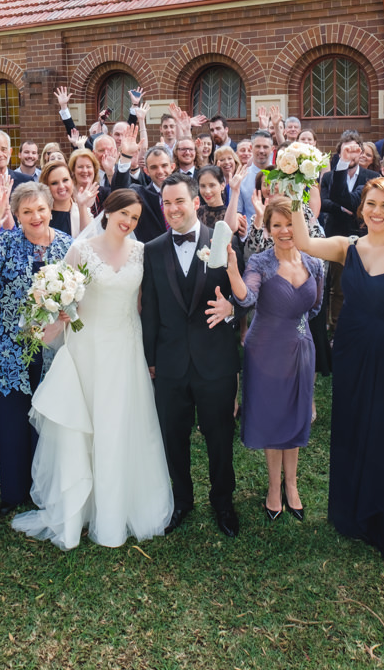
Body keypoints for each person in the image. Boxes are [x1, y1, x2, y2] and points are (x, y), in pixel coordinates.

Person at [13, 189, 174, 549]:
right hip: (89, 347)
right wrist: (56, 317)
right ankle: (81, 506)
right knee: (88, 424)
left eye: (135, 218)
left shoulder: (141, 252)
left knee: (121, 423)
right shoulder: (81, 251)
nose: (129, 222)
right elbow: (64, 298)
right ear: (109, 210)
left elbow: (143, 302)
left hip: (126, 348)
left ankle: (119, 507)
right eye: (124, 214)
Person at [289, 178, 384, 560]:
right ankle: (350, 513)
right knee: (352, 427)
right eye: (371, 204)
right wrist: (294, 190)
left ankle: (382, 519)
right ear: (361, 208)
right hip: (351, 352)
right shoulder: (346, 247)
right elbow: (303, 242)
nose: (376, 212)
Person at [140, 173, 241, 537]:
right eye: (166, 203)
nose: (172, 209)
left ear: (196, 202)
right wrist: (150, 359)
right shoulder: (151, 249)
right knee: (174, 436)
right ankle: (181, 500)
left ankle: (223, 501)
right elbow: (149, 309)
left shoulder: (222, 240)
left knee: (219, 435)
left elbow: (242, 295)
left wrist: (232, 310)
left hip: (215, 360)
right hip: (170, 364)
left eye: (179, 201)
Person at [0, 178, 73, 514]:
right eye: (26, 211)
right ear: (15, 213)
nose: (35, 216)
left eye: (41, 209)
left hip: (53, 349)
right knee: (12, 420)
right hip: (9, 348)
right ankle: (12, 493)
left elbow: (80, 290)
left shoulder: (66, 246)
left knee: (47, 418)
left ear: (50, 210)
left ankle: (44, 489)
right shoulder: (7, 241)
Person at [226, 195, 324, 522]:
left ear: (304, 225)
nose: (285, 231)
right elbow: (248, 296)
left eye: (290, 223)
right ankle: (272, 487)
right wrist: (232, 272)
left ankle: (292, 485)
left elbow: (315, 308)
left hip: (300, 348)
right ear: (267, 229)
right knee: (272, 418)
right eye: (277, 225)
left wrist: (299, 334)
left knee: (295, 415)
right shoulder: (259, 263)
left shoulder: (315, 263)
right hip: (265, 349)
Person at [320, 131, 374, 339]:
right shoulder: (329, 176)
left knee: (365, 285)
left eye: (354, 151)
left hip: (365, 237)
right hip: (337, 235)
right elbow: (326, 202)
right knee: (338, 287)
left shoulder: (372, 177)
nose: (351, 156)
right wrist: (343, 208)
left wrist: (356, 208)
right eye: (346, 151)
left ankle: (363, 329)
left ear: (360, 153)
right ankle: (337, 331)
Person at [130, 145, 176, 243]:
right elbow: (120, 194)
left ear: (172, 167)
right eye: (154, 167)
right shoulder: (140, 196)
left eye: (164, 165)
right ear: (146, 171)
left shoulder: (184, 193)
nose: (160, 171)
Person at [40, 160, 97, 236]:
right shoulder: (40, 214)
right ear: (47, 187)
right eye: (54, 183)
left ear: (72, 181)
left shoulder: (83, 211)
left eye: (65, 180)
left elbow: (90, 240)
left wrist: (82, 206)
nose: (61, 186)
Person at [68, 148, 106, 215]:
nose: (85, 171)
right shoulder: (67, 195)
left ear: (94, 169)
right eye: (80, 167)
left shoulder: (104, 194)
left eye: (88, 166)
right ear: (73, 170)